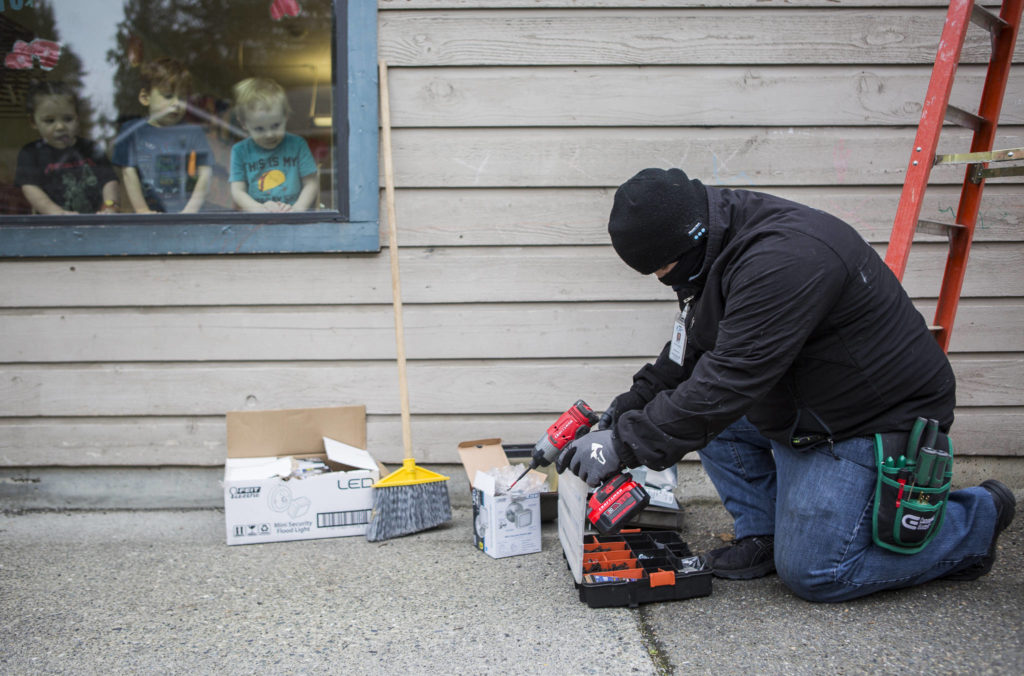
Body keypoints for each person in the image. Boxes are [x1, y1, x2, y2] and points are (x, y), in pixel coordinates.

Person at [556, 167, 1016, 602]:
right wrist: (620, 414)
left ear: (688, 242)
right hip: (811, 402)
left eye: (663, 269)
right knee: (691, 411)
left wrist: (621, 445)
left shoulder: (782, 259)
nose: (663, 280)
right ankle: (766, 531)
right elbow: (691, 353)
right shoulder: (718, 242)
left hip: (873, 419)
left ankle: (974, 521)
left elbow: (728, 382)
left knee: (817, 572)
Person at [112, 57, 212, 213]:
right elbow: (128, 173)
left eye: (182, 97)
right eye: (168, 96)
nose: (176, 104)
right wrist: (143, 211)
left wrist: (189, 212)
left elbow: (205, 173)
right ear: (145, 98)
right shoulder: (132, 131)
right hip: (147, 218)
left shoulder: (193, 132)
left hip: (186, 214)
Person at [14, 80, 119, 215]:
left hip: (95, 222)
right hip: (54, 227)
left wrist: (110, 206)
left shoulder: (90, 149)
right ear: (33, 122)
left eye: (68, 119)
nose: (60, 127)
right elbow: (30, 188)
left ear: (78, 118)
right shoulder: (31, 153)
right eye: (50, 120)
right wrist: (57, 214)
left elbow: (109, 181)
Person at [229, 77, 318, 212]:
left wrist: (297, 209)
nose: (269, 134)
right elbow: (237, 191)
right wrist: (259, 209)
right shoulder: (240, 150)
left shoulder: (297, 145)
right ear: (243, 124)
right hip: (257, 221)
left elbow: (311, 183)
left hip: (294, 218)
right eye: (259, 129)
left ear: (286, 116)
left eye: (276, 125)